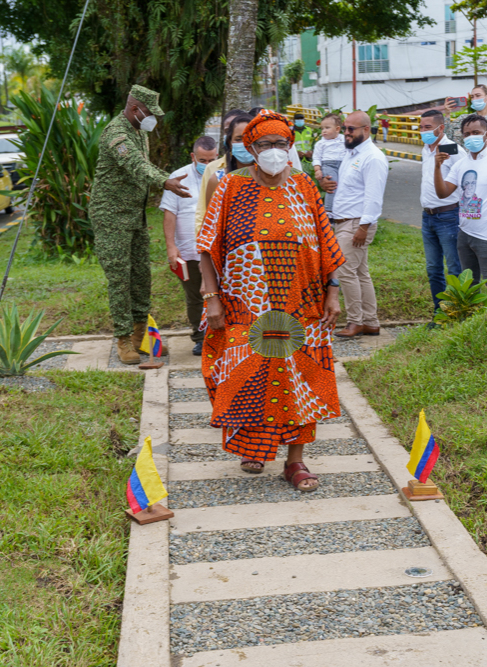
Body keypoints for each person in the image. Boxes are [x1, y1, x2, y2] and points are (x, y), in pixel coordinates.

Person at [198, 110, 345, 491]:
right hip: (244, 305)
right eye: (266, 144)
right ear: (251, 147)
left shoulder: (304, 185)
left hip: (302, 305)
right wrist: (211, 298)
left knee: (300, 377)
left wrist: (333, 291)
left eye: (282, 144)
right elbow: (207, 246)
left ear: (290, 146)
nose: (274, 151)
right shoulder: (229, 185)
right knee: (246, 376)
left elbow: (326, 242)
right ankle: (254, 444)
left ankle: (295, 462)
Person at [88, 84, 191, 365]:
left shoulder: (138, 131)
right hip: (111, 217)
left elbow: (144, 166)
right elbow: (135, 165)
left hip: (134, 215)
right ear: (135, 109)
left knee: (141, 276)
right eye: (149, 112)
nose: (153, 118)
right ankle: (122, 339)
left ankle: (139, 334)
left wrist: (167, 178)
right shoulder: (118, 133)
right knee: (120, 279)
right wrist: (164, 181)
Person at [324, 110, 388, 338]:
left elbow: (373, 196)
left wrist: (363, 227)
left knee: (345, 272)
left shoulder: (372, 157)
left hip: (356, 223)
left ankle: (355, 321)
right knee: (361, 273)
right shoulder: (351, 154)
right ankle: (370, 322)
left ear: (366, 130)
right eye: (345, 128)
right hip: (346, 222)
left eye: (351, 129)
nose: (346, 133)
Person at [433, 114, 487, 305]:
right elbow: (442, 193)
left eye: (476, 132)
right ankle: (471, 322)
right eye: (467, 134)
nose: (471, 137)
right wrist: (437, 167)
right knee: (469, 284)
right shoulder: (461, 164)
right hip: (465, 232)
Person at [160, 136, 218, 356]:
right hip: (189, 250)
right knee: (195, 297)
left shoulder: (223, 175)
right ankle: (200, 337)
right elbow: (169, 213)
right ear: (194, 157)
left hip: (216, 250)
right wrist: (170, 247)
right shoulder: (178, 177)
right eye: (202, 160)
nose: (206, 164)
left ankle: (223, 336)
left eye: (211, 159)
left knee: (219, 294)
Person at [419, 109, 466, 312]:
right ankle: (439, 311)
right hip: (427, 216)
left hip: (448, 216)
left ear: (441, 128)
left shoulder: (453, 150)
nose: (423, 131)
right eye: (421, 127)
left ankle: (455, 312)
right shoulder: (426, 148)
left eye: (427, 127)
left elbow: (466, 182)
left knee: (454, 268)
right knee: (433, 268)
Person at [195, 108, 245, 235]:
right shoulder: (214, 170)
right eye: (227, 131)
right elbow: (204, 210)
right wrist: (202, 240)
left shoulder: (262, 171)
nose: (230, 134)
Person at [203, 114, 255, 216]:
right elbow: (210, 220)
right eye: (238, 139)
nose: (244, 143)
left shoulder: (270, 178)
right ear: (229, 143)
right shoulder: (217, 180)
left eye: (249, 138)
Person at [443, 84, 487, 150]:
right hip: (464, 158)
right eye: (472, 97)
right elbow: (447, 138)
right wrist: (447, 114)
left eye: (478, 96)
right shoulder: (463, 119)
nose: (474, 99)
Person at [312, 113, 347, 215]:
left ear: (337, 129)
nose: (324, 131)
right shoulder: (321, 143)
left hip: (343, 165)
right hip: (328, 165)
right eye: (322, 128)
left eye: (327, 128)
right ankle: (328, 210)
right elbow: (316, 157)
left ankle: (340, 209)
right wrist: (317, 170)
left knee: (343, 186)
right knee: (333, 185)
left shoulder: (344, 139)